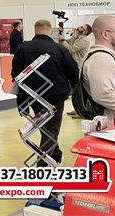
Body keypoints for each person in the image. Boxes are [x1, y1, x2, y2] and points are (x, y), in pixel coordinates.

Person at [11, 19, 78, 166]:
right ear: (51, 32)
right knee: (52, 128)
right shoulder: (59, 48)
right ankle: (43, 166)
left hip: (32, 94)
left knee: (45, 127)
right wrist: (75, 86)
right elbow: (72, 69)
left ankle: (56, 155)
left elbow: (15, 72)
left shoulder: (23, 48)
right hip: (56, 95)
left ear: (35, 31)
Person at [82, 16, 115, 122]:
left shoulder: (104, 56)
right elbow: (103, 95)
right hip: (112, 121)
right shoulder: (101, 58)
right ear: (105, 34)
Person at [59, 23, 92, 117]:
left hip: (78, 67)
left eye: (82, 27)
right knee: (74, 89)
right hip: (72, 65)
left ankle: (80, 111)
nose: (79, 27)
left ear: (85, 32)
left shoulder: (84, 41)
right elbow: (65, 43)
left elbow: (70, 49)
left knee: (78, 89)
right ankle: (76, 109)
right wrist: (61, 34)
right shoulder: (76, 38)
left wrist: (62, 40)